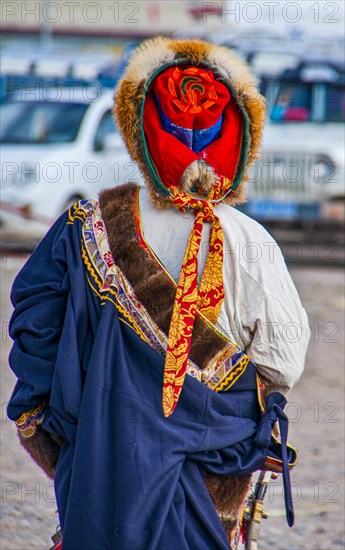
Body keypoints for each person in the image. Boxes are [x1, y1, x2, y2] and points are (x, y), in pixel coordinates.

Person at [7, 38, 310, 550]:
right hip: (212, 476)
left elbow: (36, 335)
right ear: (241, 139)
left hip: (101, 468)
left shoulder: (82, 228)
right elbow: (284, 363)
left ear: (135, 130)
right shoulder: (253, 241)